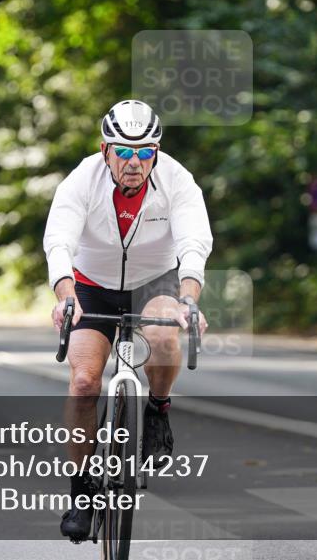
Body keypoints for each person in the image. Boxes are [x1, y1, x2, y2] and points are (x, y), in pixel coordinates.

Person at [43, 100, 213, 541]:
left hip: (153, 281)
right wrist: (65, 296)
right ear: (106, 150)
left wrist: (189, 300)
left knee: (164, 332)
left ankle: (157, 409)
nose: (134, 162)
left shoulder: (177, 180)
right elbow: (59, 239)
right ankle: (81, 493)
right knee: (83, 382)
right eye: (124, 151)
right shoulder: (82, 179)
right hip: (89, 282)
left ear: (156, 152)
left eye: (145, 152)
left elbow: (194, 242)